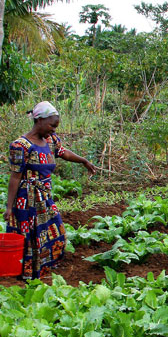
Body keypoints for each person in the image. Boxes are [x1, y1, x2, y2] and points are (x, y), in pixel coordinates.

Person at [3, 101, 96, 279]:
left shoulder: (50, 140)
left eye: (56, 126)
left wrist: (84, 160)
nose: (54, 130)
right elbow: (15, 177)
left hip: (45, 196)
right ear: (39, 120)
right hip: (26, 200)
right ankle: (27, 274)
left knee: (55, 233)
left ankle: (43, 269)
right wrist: (9, 207)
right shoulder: (20, 146)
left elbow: (63, 152)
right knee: (31, 237)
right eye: (52, 125)